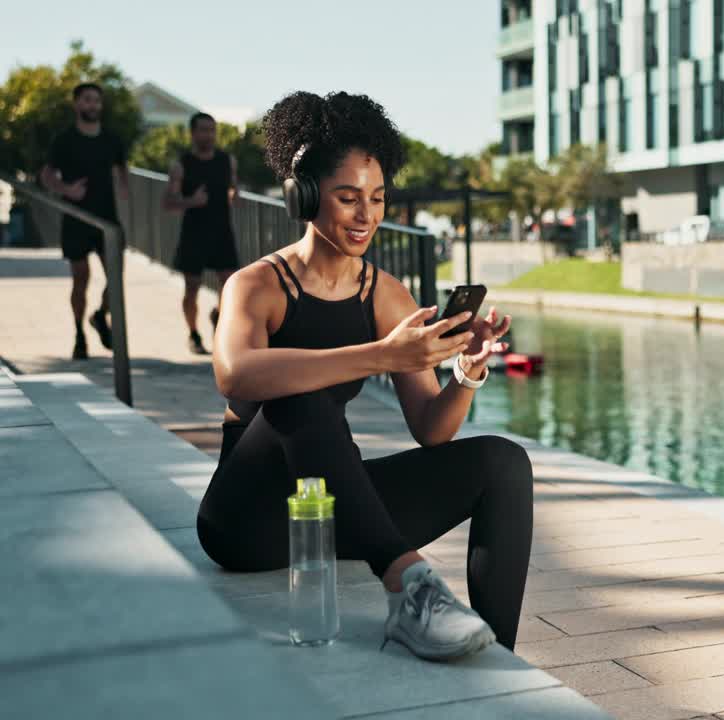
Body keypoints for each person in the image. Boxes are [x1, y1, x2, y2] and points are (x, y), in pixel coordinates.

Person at [197, 91, 533, 661]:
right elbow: (237, 376)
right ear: (303, 196)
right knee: (298, 395)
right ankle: (410, 588)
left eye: (377, 198)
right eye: (348, 198)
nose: (367, 216)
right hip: (247, 519)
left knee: (502, 462)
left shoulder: (386, 295)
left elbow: (431, 429)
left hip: (335, 506)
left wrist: (467, 374)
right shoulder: (256, 285)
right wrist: (381, 355)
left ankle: (499, 656)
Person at [40, 82, 129, 360]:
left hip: (108, 219)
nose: (93, 105)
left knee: (115, 276)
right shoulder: (64, 139)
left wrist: (124, 189)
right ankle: (79, 334)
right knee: (81, 279)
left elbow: (122, 170)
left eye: (96, 101)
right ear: (77, 104)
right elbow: (46, 176)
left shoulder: (112, 139)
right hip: (77, 218)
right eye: (87, 100)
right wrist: (66, 190)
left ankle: (101, 316)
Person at [165, 112, 240, 355]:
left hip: (221, 230)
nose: (208, 135)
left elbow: (233, 187)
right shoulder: (181, 164)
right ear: (193, 133)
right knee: (192, 287)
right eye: (203, 130)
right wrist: (192, 201)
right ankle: (193, 334)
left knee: (230, 284)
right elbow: (168, 202)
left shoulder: (227, 161)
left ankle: (218, 315)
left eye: (211, 130)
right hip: (194, 233)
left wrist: (234, 196)